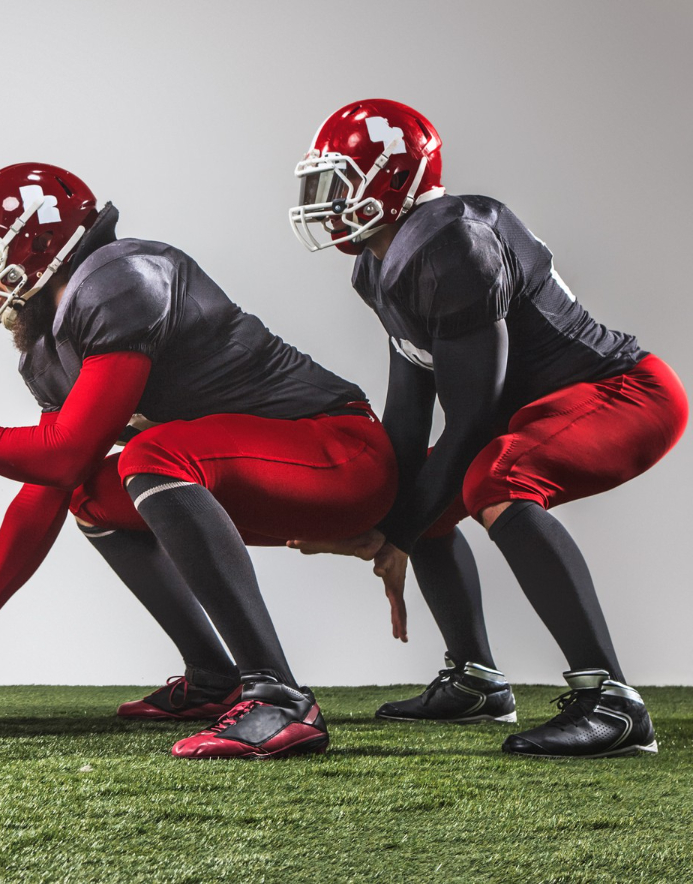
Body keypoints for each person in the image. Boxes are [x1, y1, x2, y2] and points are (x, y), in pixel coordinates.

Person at [0, 163, 397, 759]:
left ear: (38, 241)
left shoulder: (120, 278)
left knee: (150, 455)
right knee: (92, 494)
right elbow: (58, 477)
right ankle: (214, 679)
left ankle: (279, 699)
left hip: (339, 453)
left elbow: (61, 452)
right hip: (253, 478)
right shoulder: (49, 350)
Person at [289, 98, 686, 757]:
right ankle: (476, 680)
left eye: (340, 182)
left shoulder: (451, 243)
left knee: (495, 477)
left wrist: (397, 531)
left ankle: (612, 702)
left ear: (390, 180)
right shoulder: (377, 263)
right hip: (538, 407)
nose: (326, 201)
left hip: (624, 393)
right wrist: (384, 507)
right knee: (424, 478)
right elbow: (412, 404)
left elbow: (477, 414)